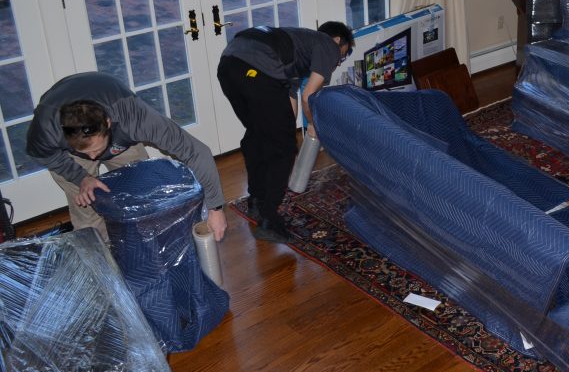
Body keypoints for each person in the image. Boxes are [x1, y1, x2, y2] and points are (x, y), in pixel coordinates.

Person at [26, 72, 228, 243]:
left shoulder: (135, 118)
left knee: (143, 189)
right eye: (87, 153)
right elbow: (45, 155)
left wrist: (216, 208)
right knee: (86, 209)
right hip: (71, 156)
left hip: (120, 137)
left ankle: (146, 244)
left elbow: (197, 152)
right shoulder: (47, 127)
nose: (93, 157)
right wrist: (81, 177)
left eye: (96, 149)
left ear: (108, 123)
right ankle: (103, 263)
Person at [216, 22, 353, 243]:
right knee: (284, 150)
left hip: (229, 67)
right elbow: (309, 95)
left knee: (258, 136)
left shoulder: (296, 49)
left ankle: (256, 201)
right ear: (337, 40)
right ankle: (269, 219)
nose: (337, 62)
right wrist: (313, 124)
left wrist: (289, 129)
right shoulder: (327, 44)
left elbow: (290, 99)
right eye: (342, 56)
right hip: (258, 71)